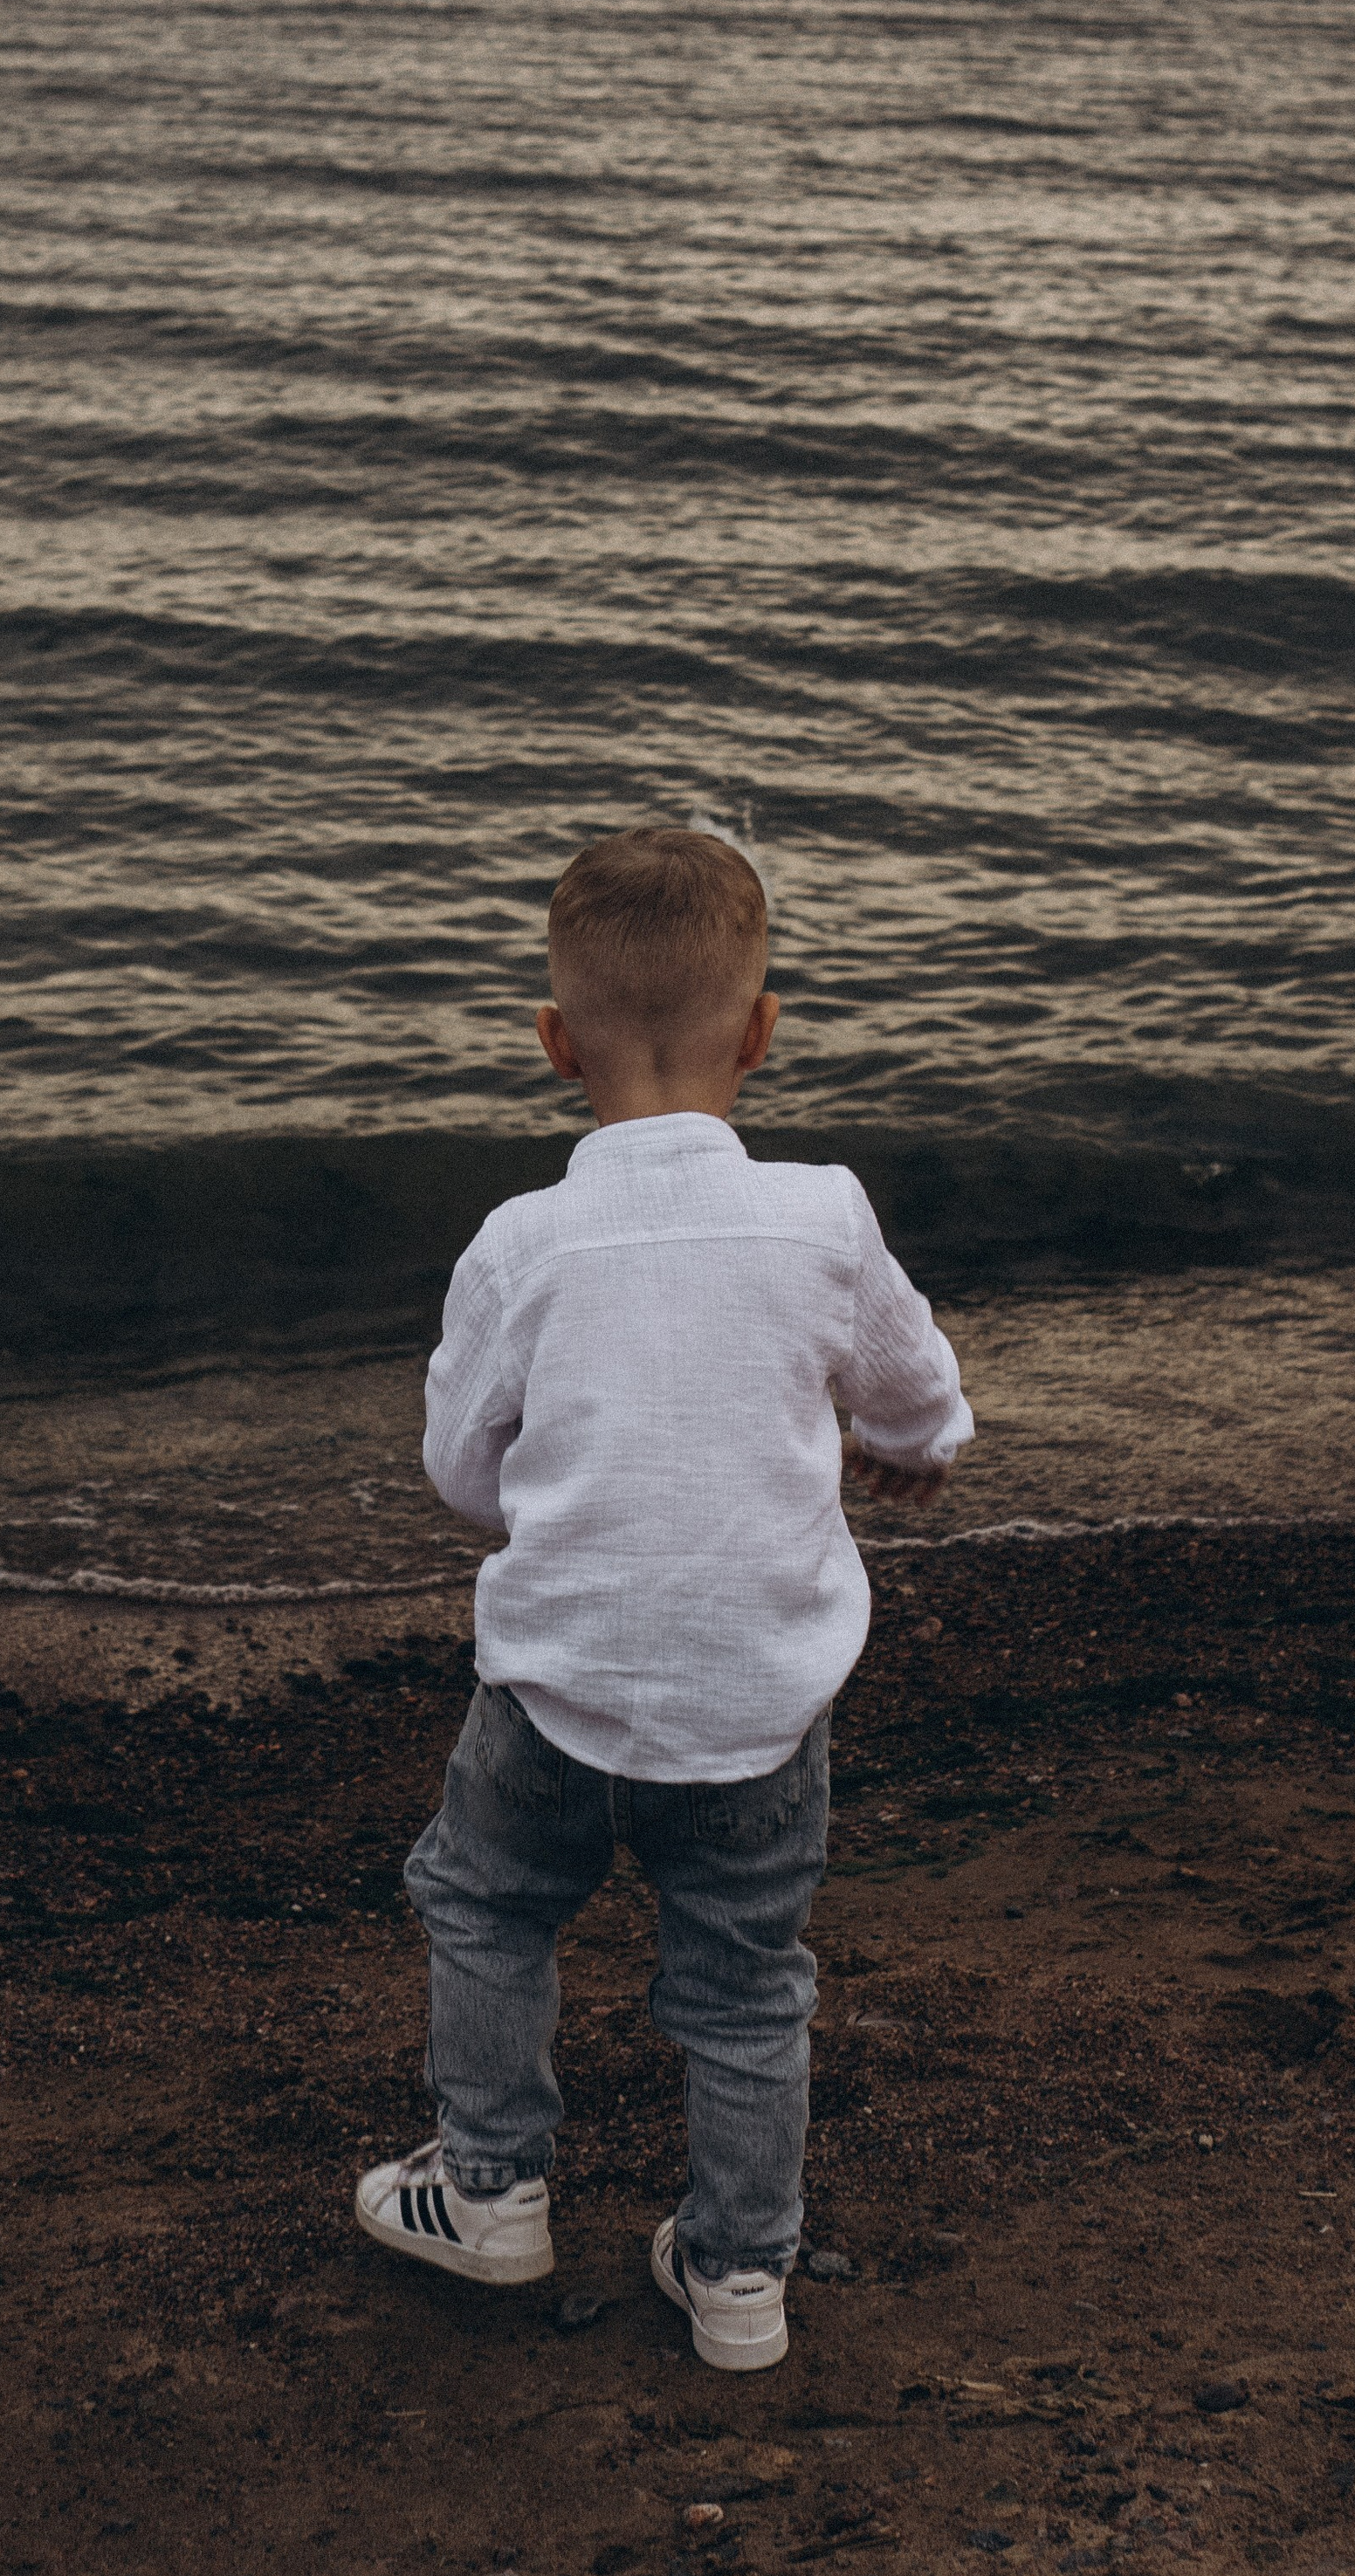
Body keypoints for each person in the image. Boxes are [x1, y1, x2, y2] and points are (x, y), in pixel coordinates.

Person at [354, 822, 973, 2371]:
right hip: (761, 1699)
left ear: (555, 1044)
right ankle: (743, 2275)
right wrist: (909, 1449)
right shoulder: (825, 1217)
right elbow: (916, 1391)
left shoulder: (521, 1245)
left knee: (489, 1906)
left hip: (557, 1682)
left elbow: (459, 1468)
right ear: (762, 1034)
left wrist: (559, 1511)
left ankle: (492, 2188)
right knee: (747, 1984)